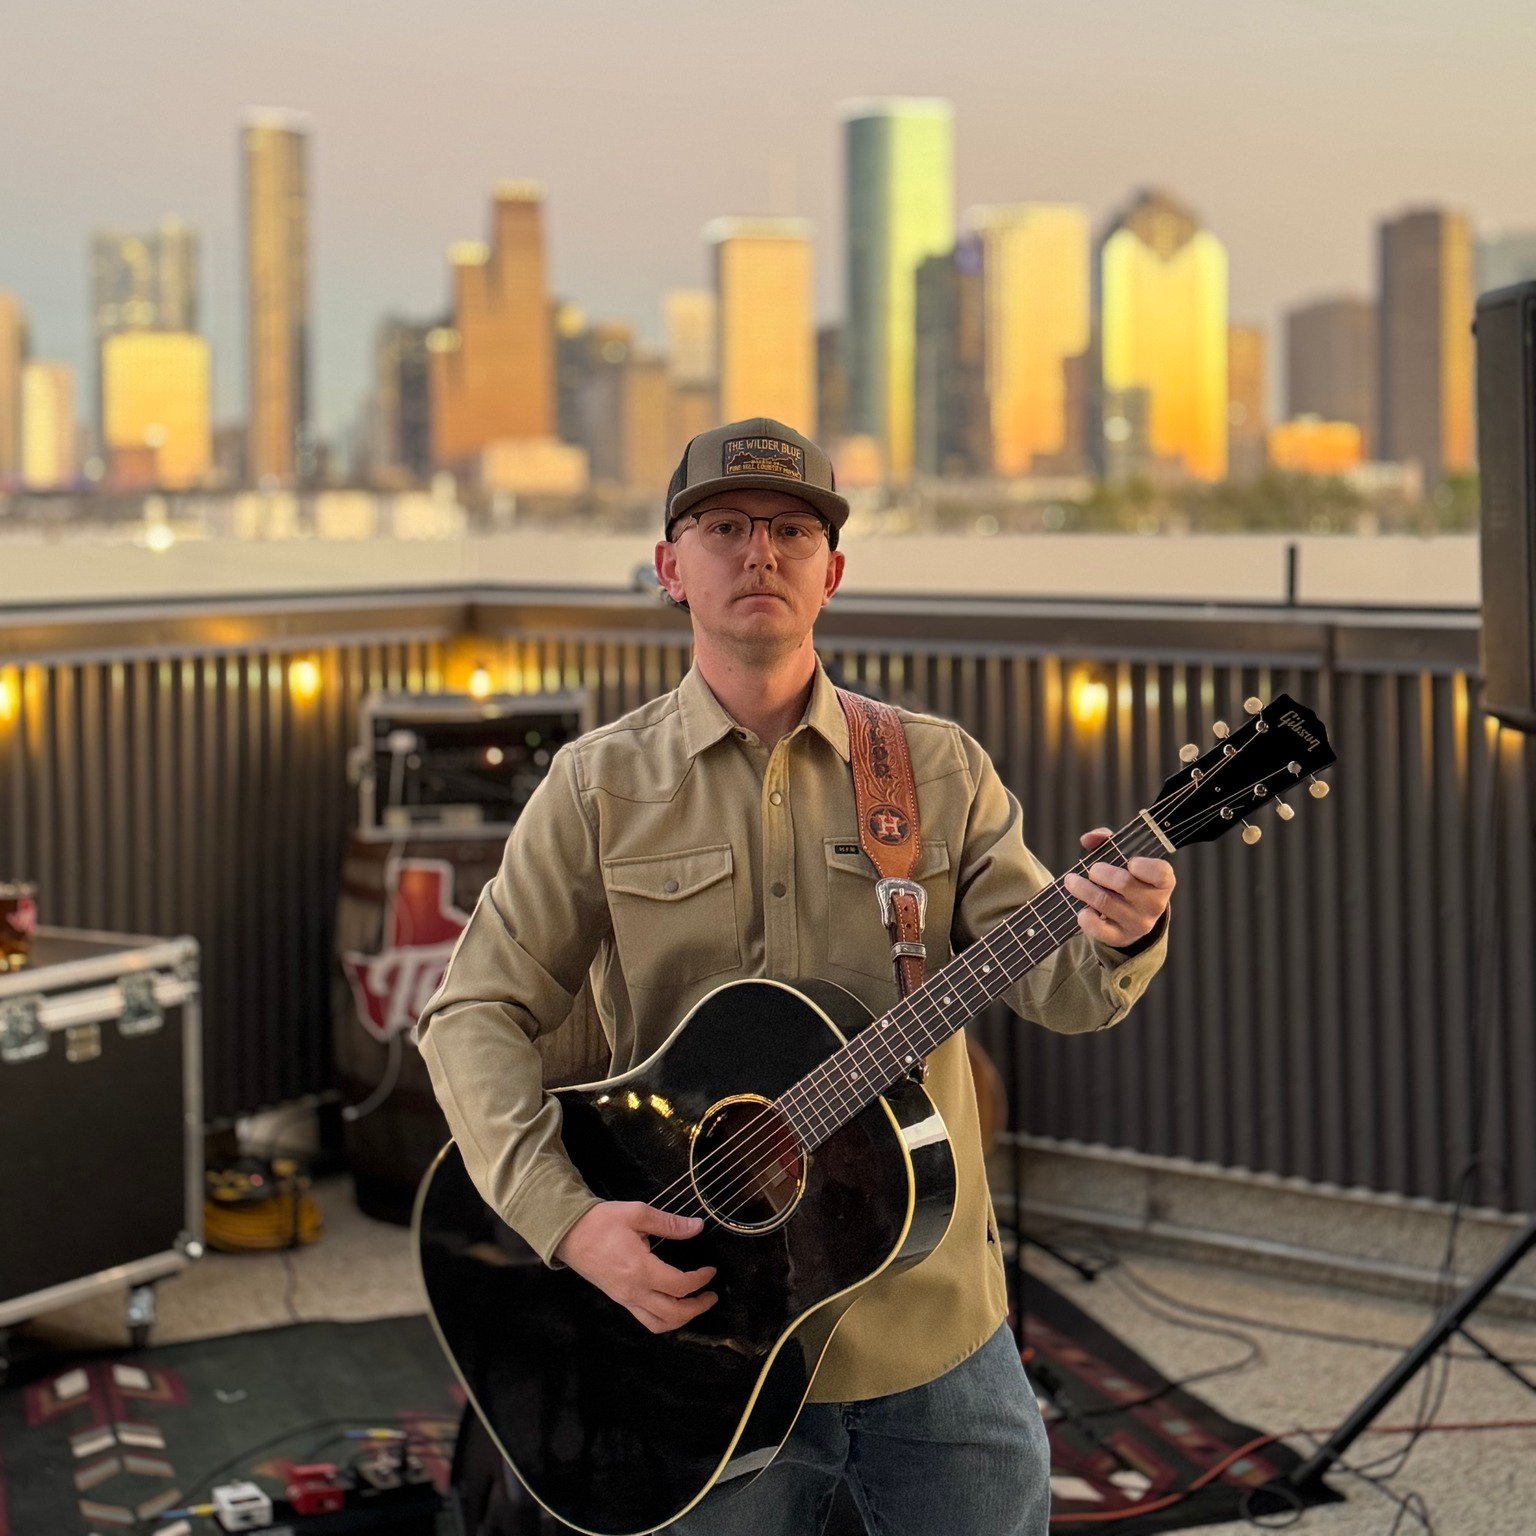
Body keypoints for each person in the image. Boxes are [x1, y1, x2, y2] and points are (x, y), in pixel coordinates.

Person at [417, 417, 1175, 1536]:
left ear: (834, 572)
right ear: (672, 569)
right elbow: (471, 1013)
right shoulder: (597, 787)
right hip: (692, 1329)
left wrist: (1115, 930)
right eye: (723, 527)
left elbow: (1060, 990)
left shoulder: (931, 768)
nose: (758, 552)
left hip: (925, 1323)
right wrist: (570, 1223)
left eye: (790, 529)